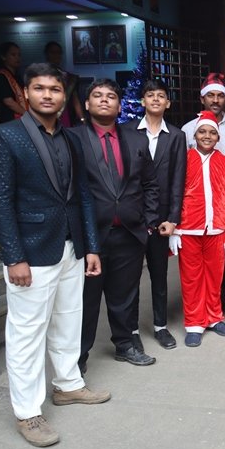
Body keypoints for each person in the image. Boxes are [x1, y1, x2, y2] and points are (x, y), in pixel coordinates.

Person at [0, 62, 110, 448]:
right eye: (39, 88)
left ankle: (68, 384)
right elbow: (1, 201)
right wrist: (13, 257)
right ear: (25, 93)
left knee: (68, 321)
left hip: (71, 246)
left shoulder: (71, 139)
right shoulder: (6, 137)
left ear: (62, 96)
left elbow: (82, 194)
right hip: (32, 251)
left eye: (54, 89)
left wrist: (91, 246)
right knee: (26, 333)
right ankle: (28, 412)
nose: (47, 95)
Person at [66, 79, 160, 371]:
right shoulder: (71, 138)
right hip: (91, 236)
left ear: (120, 106)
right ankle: (78, 359)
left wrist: (148, 221)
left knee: (124, 297)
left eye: (111, 96)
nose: (104, 100)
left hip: (129, 233)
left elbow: (150, 183)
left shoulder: (136, 139)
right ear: (87, 104)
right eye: (98, 95)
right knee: (86, 300)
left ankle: (124, 345)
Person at [121, 80, 187, 350]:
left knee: (159, 275)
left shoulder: (176, 136)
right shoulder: (126, 131)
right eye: (150, 95)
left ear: (168, 103)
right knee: (130, 279)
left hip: (161, 218)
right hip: (131, 218)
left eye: (161, 96)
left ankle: (160, 326)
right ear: (143, 101)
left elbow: (178, 179)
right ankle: (132, 330)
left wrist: (173, 218)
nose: (156, 99)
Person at [171, 112, 225, 347]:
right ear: (194, 135)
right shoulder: (183, 161)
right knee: (191, 278)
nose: (207, 136)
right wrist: (174, 229)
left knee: (215, 277)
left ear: (218, 137)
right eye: (202, 132)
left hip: (217, 230)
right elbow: (173, 196)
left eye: (212, 132)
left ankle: (213, 317)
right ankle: (194, 323)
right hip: (188, 230)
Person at [181, 72, 225, 155]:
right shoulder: (188, 129)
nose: (215, 100)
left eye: (220, 96)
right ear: (202, 99)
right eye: (210, 95)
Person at [43, 41, 84, 127]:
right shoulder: (40, 76)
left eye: (59, 53)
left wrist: (82, 119)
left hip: (65, 117)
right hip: (46, 116)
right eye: (53, 52)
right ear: (47, 54)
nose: (56, 55)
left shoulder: (68, 77)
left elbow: (75, 100)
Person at [0, 42, 27, 128]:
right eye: (13, 55)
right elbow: (8, 101)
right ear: (3, 57)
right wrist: (27, 114)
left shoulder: (16, 76)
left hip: (18, 120)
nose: (17, 58)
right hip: (8, 121)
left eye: (19, 55)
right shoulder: (1, 76)